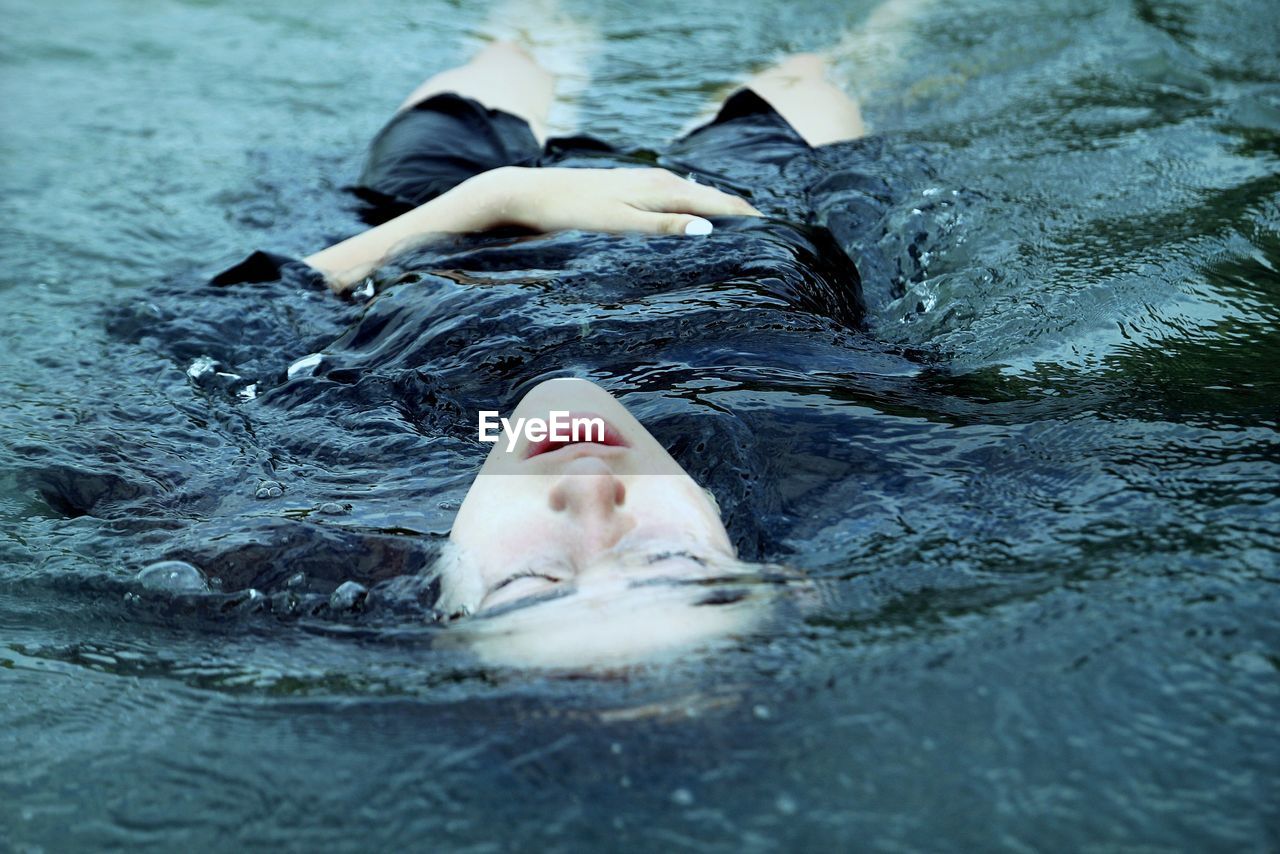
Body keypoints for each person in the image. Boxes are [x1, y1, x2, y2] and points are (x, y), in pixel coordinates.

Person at [162, 25, 936, 667]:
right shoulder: (864, 459)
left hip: (437, 216)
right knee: (809, 77)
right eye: (672, 563)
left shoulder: (297, 507)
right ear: (781, 577)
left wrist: (492, 198)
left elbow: (190, 326)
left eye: (530, 583)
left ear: (435, 601)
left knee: (516, 53)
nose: (592, 496)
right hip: (728, 203)